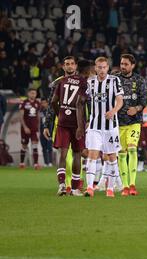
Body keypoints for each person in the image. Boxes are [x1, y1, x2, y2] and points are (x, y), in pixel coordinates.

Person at [84, 57, 124, 198]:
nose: (101, 70)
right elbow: (84, 101)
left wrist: (113, 111)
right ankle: (89, 187)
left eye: (104, 67)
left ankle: (110, 188)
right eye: (99, 67)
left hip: (110, 127)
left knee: (112, 157)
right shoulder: (90, 82)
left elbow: (120, 100)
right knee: (92, 155)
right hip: (95, 126)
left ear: (108, 68)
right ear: (95, 68)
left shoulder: (114, 81)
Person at [50, 59, 90, 196]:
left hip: (62, 122)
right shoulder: (82, 81)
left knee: (62, 154)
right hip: (76, 123)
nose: (70, 66)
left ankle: (61, 185)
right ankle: (74, 189)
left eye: (72, 63)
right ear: (63, 66)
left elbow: (53, 101)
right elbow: (81, 104)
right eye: (67, 64)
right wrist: (81, 125)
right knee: (77, 154)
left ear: (75, 66)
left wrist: (59, 114)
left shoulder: (61, 81)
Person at [116, 54, 147, 196]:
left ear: (132, 65)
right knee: (121, 154)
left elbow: (144, 101)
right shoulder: (115, 80)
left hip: (134, 122)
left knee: (133, 150)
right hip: (118, 123)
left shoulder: (139, 80)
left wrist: (136, 109)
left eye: (126, 64)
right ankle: (125, 186)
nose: (123, 66)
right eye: (122, 63)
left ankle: (133, 184)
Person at [19, 88, 41, 169]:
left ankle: (35, 164)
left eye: (34, 93)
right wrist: (25, 127)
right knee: (24, 145)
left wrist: (38, 128)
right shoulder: (24, 103)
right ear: (28, 94)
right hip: (25, 128)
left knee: (35, 144)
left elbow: (38, 116)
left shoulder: (37, 103)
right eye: (32, 93)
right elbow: (21, 116)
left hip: (34, 128)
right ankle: (21, 163)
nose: (33, 95)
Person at [39, 99, 53, 167]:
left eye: (44, 103)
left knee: (49, 147)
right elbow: (39, 121)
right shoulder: (41, 112)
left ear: (47, 103)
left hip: (49, 131)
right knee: (44, 147)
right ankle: (45, 163)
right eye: (42, 103)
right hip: (42, 132)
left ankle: (50, 162)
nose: (43, 104)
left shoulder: (51, 111)